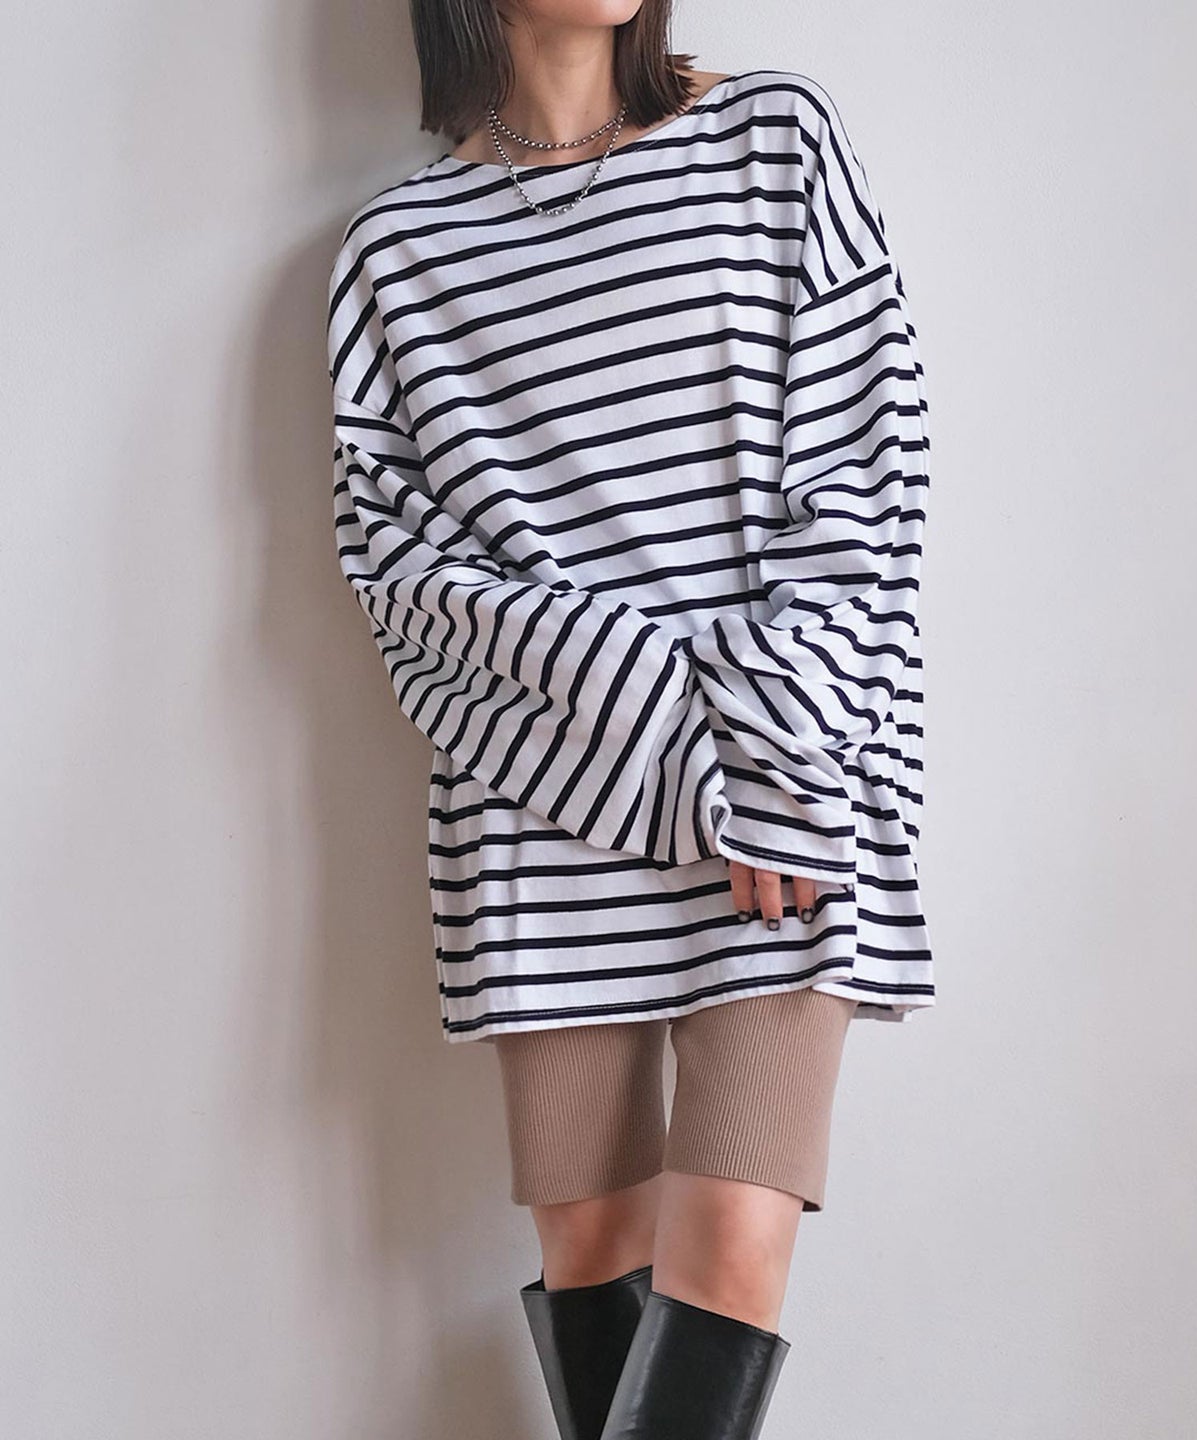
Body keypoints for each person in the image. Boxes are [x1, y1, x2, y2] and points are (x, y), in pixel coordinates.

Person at [326, 2, 936, 1435]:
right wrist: (661, 722)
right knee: (594, 1256)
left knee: (732, 1250)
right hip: (544, 792)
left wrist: (772, 757)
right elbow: (403, 582)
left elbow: (868, 473)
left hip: (788, 784)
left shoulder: (774, 140)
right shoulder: (397, 252)